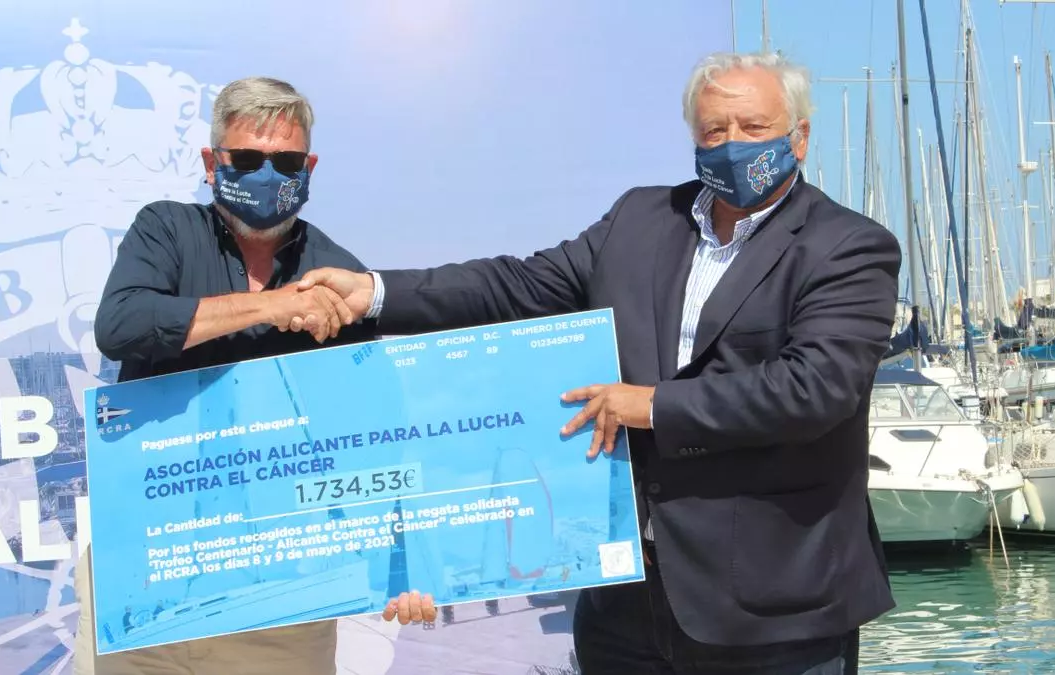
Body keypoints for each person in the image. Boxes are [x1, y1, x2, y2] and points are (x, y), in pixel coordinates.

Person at [293, 51, 899, 673]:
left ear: (799, 136)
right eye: (714, 130)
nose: (732, 144)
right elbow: (517, 286)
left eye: (754, 127)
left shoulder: (848, 246)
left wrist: (652, 405)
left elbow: (817, 387)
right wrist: (375, 293)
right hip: (625, 606)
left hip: (776, 610)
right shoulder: (639, 219)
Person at [75, 76, 435, 675]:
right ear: (211, 162)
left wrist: (403, 566)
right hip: (142, 583)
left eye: (286, 162)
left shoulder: (337, 272)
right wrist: (270, 306)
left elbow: (375, 432)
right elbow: (121, 325)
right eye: (246, 159)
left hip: (280, 606)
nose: (266, 176)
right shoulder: (166, 229)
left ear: (309, 167)